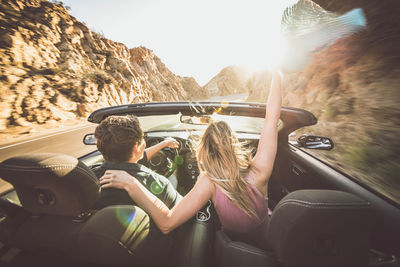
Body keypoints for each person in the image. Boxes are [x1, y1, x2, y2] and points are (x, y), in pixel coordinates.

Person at [100, 70, 283, 247]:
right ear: (233, 142)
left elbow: (167, 223)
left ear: (203, 149)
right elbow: (271, 119)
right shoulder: (260, 171)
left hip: (231, 246)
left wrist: (131, 183)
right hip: (268, 242)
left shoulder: (208, 181)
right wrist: (277, 74)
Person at [92, 114, 182, 210]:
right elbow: (181, 211)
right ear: (136, 147)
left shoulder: (91, 177)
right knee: (173, 175)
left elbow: (137, 156)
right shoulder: (160, 184)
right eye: (143, 138)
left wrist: (164, 143)